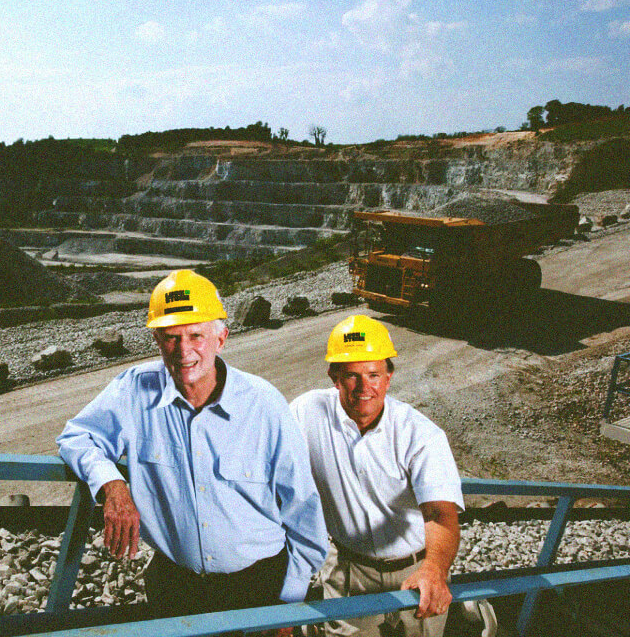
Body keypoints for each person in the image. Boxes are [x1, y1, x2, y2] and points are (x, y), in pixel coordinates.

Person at [58, 269, 329, 630]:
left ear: (221, 338)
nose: (184, 351)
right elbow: (76, 436)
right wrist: (113, 485)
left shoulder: (264, 404)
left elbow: (303, 508)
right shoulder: (133, 390)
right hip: (176, 588)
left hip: (258, 587)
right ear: (157, 341)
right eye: (171, 337)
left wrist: (287, 606)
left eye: (196, 335)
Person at [289, 315, 463, 637]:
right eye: (352, 376)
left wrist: (435, 570)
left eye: (373, 374)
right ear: (334, 376)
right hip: (348, 568)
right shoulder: (305, 413)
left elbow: (440, 514)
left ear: (389, 376)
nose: (364, 388)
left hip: (416, 571)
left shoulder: (421, 434)